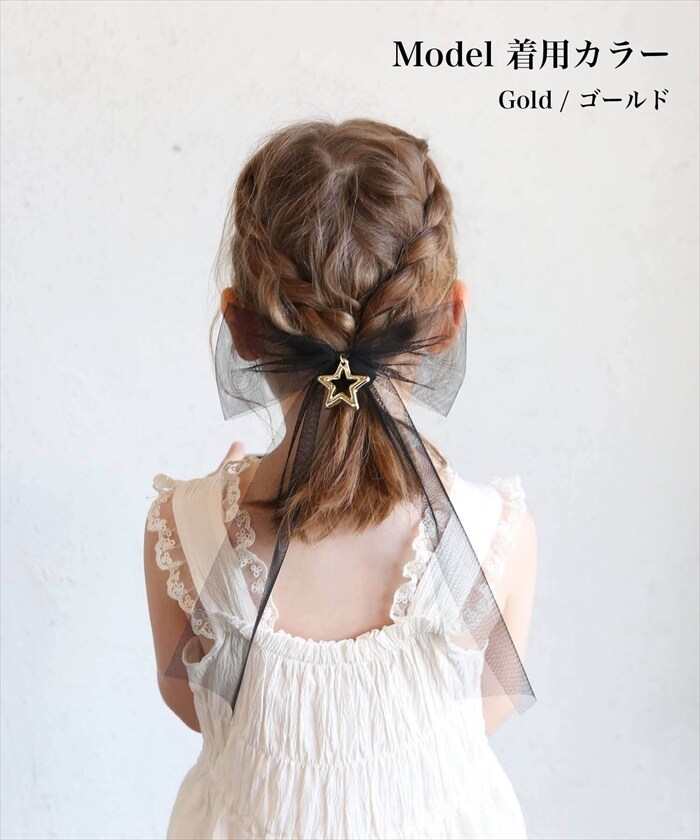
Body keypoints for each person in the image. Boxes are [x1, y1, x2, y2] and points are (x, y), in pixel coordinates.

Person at [143, 118, 538, 840]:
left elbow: (197, 707)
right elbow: (480, 712)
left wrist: (216, 518)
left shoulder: (183, 527)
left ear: (240, 327)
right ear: (449, 319)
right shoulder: (493, 532)